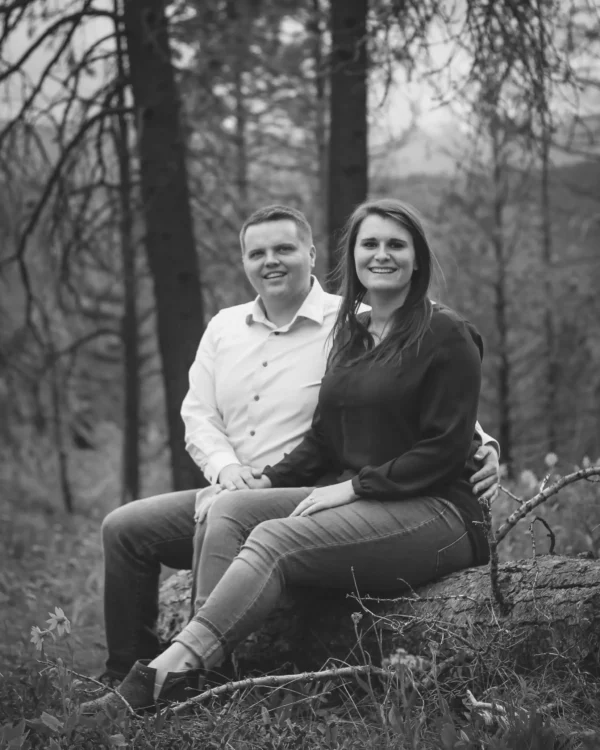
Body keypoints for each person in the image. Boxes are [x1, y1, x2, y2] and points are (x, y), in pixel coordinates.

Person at [82, 198, 495, 714]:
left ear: (418, 259)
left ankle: (170, 675)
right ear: (352, 255)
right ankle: (199, 675)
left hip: (435, 507)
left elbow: (449, 435)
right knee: (227, 508)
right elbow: (322, 434)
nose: (381, 254)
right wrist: (259, 480)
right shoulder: (354, 333)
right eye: (370, 243)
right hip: (356, 495)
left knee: (271, 537)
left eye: (396, 245)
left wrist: (484, 447)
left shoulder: (441, 330)